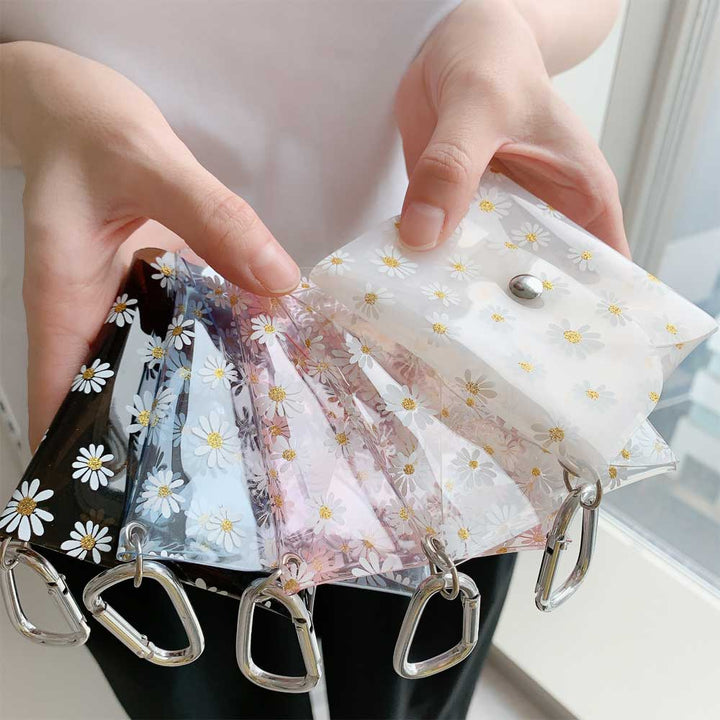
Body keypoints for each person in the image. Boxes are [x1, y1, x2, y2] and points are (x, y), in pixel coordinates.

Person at [0, 1, 628, 717]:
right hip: (134, 377)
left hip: (434, 382)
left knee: (414, 689)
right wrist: (27, 92)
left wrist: (512, 24)